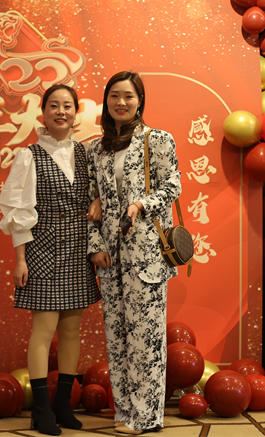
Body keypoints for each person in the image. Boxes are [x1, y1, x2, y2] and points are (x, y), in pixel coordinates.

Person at [0, 84, 101, 435]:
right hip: (42, 252)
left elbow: (100, 193)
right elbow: (18, 211)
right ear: (42, 113)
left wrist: (97, 202)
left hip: (78, 253)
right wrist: (20, 259)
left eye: (67, 106)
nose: (61, 111)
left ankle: (62, 404)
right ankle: (41, 409)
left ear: (76, 113)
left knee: (71, 330)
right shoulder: (28, 156)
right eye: (54, 105)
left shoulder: (86, 153)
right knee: (43, 332)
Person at [87, 71, 182, 435]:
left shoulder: (157, 139)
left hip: (147, 257)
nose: (121, 102)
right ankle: (124, 412)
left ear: (140, 101)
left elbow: (172, 185)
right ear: (106, 101)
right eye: (114, 96)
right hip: (110, 260)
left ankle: (146, 417)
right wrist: (95, 245)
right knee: (117, 338)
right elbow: (91, 201)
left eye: (128, 96)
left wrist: (141, 203)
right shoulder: (96, 149)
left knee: (146, 339)